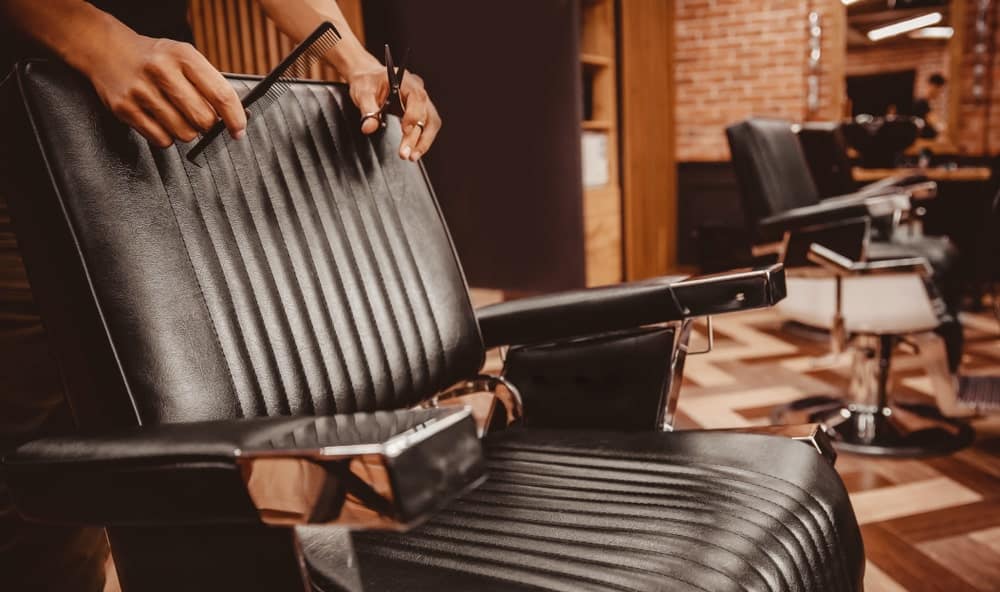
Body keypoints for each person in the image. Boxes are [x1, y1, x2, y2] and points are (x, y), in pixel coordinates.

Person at [0, 1, 440, 590]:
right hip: (21, 138)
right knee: (36, 476)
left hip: (160, 141)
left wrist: (354, 58)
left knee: (172, 432)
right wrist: (97, 40)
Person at [912, 72, 947, 139]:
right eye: (940, 90)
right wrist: (942, 128)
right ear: (932, 86)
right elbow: (937, 124)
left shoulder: (925, 104)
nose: (939, 93)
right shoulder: (921, 103)